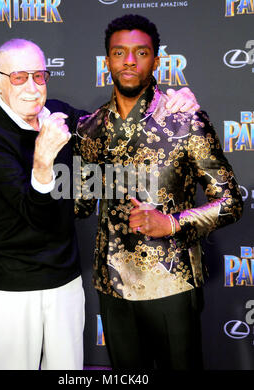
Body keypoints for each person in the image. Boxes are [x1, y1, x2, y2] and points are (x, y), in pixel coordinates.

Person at [0, 37, 199, 370]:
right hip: (13, 288)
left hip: (65, 280)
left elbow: (118, 131)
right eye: (19, 77)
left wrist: (167, 105)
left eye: (40, 75)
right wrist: (43, 160)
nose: (32, 87)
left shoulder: (59, 115)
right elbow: (35, 213)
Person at [75, 14, 243, 369]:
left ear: (156, 59)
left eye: (141, 52)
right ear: (107, 60)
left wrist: (172, 223)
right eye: (119, 53)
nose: (130, 61)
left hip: (172, 284)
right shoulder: (89, 130)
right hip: (113, 288)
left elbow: (231, 202)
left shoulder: (185, 120)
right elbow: (79, 204)